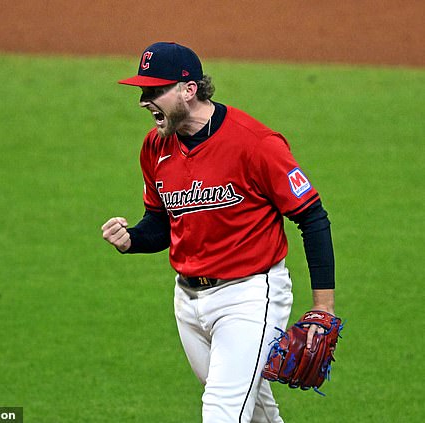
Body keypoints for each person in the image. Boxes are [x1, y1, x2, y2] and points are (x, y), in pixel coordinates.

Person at [101, 42, 336, 423]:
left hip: (249, 297)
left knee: (222, 412)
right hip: (188, 302)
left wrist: (323, 308)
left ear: (189, 90)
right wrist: (132, 239)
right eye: (142, 91)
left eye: (154, 91)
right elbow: (162, 223)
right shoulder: (154, 148)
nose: (144, 101)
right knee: (255, 410)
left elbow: (312, 216)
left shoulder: (256, 144)